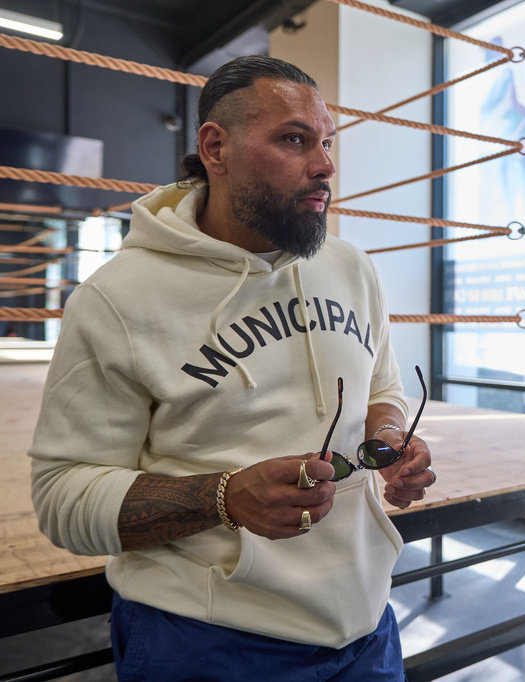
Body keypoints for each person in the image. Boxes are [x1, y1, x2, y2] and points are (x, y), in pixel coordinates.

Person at [29, 55, 435, 681]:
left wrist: (387, 439)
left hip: (367, 624)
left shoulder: (351, 266)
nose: (325, 165)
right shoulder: (117, 299)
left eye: (326, 142)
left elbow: (382, 386)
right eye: (294, 139)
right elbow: (63, 499)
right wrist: (221, 498)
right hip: (207, 640)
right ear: (215, 148)